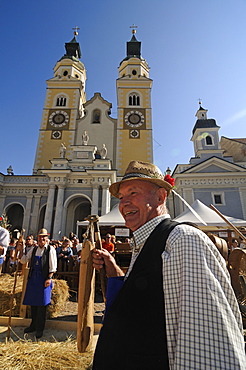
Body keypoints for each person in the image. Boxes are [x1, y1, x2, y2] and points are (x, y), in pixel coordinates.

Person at [92, 161, 246, 370]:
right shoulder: (148, 242)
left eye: (133, 193)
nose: (123, 204)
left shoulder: (181, 240)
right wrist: (112, 269)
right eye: (121, 198)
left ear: (161, 196)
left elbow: (206, 343)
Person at [19, 228, 57, 339]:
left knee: (42, 305)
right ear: (38, 238)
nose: (42, 239)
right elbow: (24, 260)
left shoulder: (50, 250)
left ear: (47, 238)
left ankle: (40, 328)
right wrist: (20, 250)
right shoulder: (34, 249)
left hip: (43, 279)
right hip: (33, 279)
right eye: (40, 237)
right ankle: (33, 325)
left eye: (44, 237)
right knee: (33, 303)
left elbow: (53, 266)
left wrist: (49, 278)